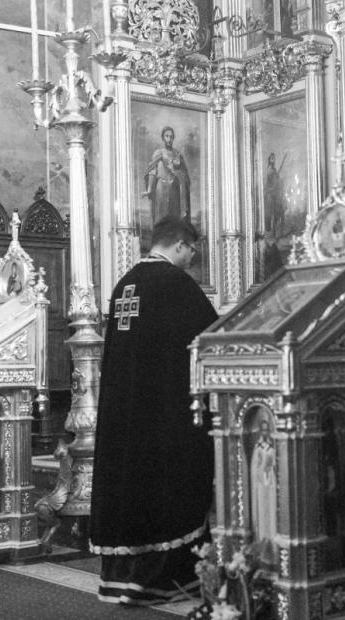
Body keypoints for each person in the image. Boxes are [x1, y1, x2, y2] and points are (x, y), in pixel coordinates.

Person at [89, 216, 218, 606]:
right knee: (168, 485)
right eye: (192, 250)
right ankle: (163, 578)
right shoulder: (175, 284)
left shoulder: (125, 283)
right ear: (180, 244)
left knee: (131, 486)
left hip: (125, 412)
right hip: (164, 413)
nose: (192, 258)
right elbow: (213, 337)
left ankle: (121, 578)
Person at [143, 126, 192, 224]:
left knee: (174, 216)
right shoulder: (158, 153)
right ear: (163, 137)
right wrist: (149, 190)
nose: (169, 139)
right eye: (167, 136)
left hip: (175, 189)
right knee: (161, 215)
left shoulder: (178, 154)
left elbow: (185, 175)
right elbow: (152, 171)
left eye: (171, 137)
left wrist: (176, 171)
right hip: (161, 188)